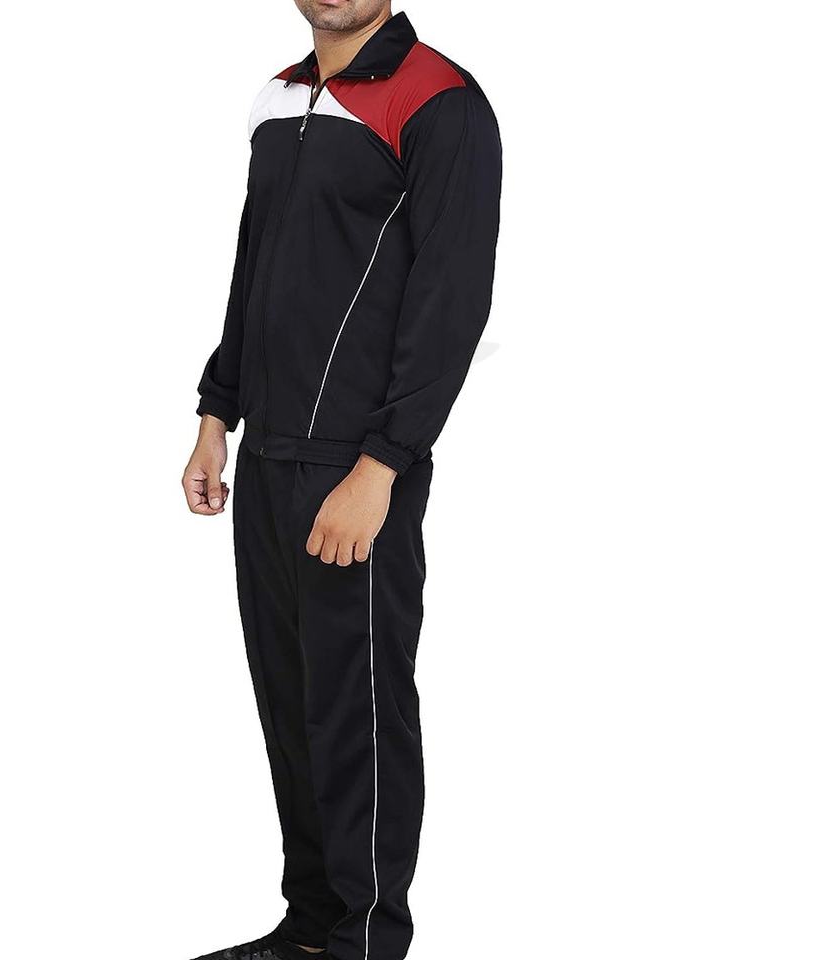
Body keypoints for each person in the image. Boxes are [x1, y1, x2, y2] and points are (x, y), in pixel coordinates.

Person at [184, 4, 501, 959]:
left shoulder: (441, 101)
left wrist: (383, 465)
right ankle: (313, 927)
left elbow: (452, 299)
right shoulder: (280, 98)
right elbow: (255, 265)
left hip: (355, 466)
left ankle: (367, 939)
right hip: (266, 451)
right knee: (290, 700)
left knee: (357, 708)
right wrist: (216, 413)